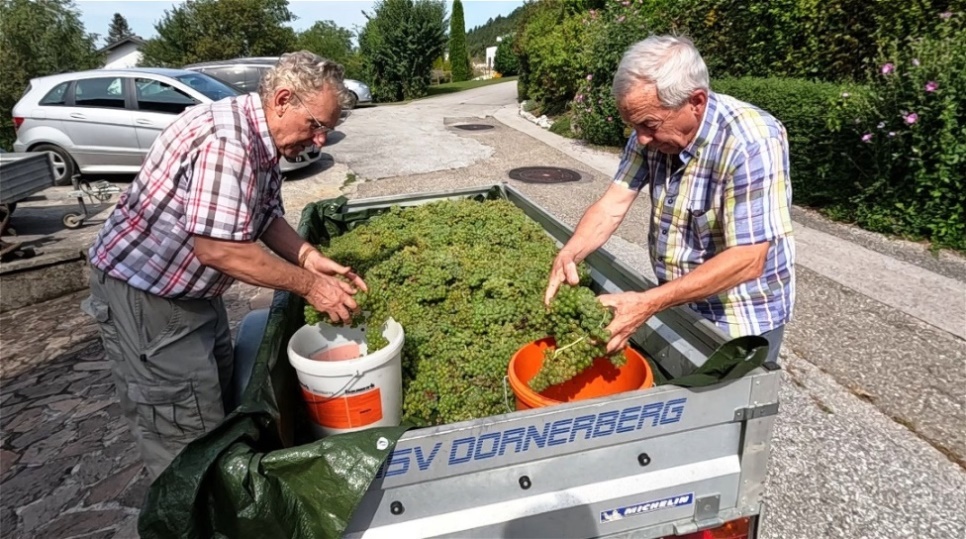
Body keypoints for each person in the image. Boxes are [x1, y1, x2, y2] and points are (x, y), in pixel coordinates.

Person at [81, 51, 366, 478]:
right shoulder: (228, 142)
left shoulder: (258, 138)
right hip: (148, 299)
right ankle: (192, 509)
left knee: (213, 404)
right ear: (283, 100)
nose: (320, 140)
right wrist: (310, 286)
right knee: (185, 433)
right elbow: (219, 250)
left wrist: (309, 257)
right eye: (316, 125)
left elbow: (264, 215)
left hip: (192, 293)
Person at [545, 35, 795, 363]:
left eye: (649, 124)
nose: (641, 138)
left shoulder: (751, 142)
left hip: (740, 320)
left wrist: (648, 302)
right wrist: (570, 253)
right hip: (678, 301)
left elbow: (749, 259)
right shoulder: (651, 135)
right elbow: (611, 206)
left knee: (731, 395)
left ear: (696, 102)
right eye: (633, 126)